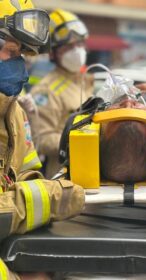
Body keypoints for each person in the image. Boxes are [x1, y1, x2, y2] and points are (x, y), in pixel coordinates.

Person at [0, 1, 85, 279]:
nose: (20, 70)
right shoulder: (47, 90)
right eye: (11, 52)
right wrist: (54, 196)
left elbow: (27, 172)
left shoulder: (13, 111)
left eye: (21, 56)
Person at [28, 9, 94, 178]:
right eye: (69, 46)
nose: (77, 50)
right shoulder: (47, 90)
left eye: (80, 44)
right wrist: (82, 143)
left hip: (90, 169)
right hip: (63, 177)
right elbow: (42, 139)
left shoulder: (84, 81)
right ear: (53, 52)